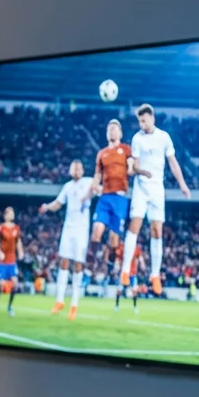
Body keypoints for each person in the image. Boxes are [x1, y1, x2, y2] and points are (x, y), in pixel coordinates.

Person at [121, 104, 191, 295]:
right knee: (134, 226)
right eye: (139, 121)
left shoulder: (164, 137)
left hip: (157, 188)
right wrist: (140, 171)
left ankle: (154, 275)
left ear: (152, 118)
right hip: (141, 188)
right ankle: (125, 270)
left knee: (157, 231)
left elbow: (173, 163)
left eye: (144, 120)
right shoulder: (137, 139)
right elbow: (134, 166)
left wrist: (182, 184)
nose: (142, 124)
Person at [39, 160, 94, 321]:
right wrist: (47, 207)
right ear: (70, 171)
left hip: (82, 229)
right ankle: (59, 300)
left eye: (79, 168)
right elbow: (58, 203)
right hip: (68, 228)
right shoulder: (68, 186)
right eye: (74, 168)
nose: (76, 170)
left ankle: (74, 304)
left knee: (78, 265)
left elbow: (98, 188)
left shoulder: (89, 182)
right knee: (63, 262)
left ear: (82, 170)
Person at [89, 119, 132, 276]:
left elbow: (132, 164)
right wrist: (95, 185)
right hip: (105, 197)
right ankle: (90, 263)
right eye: (109, 129)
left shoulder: (126, 149)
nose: (112, 131)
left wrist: (133, 168)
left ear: (120, 133)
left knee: (114, 239)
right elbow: (97, 174)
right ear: (107, 134)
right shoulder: (102, 153)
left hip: (120, 199)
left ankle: (110, 263)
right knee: (96, 230)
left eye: (115, 129)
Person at [0, 206, 24, 317]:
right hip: (2, 261)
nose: (11, 215)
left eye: (13, 213)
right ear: (5, 215)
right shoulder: (1, 228)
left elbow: (18, 241)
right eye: (9, 213)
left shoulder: (16, 228)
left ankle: (9, 307)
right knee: (0, 285)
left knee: (15, 284)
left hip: (12, 260)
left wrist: (20, 251)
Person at [114, 242, 144, 314]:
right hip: (124, 273)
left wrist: (142, 264)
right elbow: (118, 259)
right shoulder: (122, 247)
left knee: (134, 291)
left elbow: (140, 257)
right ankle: (117, 306)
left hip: (132, 273)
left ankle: (135, 307)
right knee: (119, 290)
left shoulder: (136, 248)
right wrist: (116, 267)